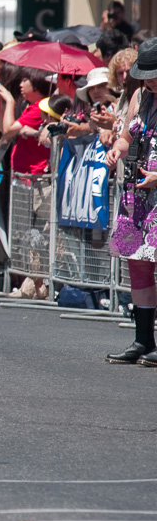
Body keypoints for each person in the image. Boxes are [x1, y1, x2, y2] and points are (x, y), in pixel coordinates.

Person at [105, 38, 157, 365]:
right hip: (135, 193)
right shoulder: (140, 96)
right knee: (136, 264)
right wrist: (116, 150)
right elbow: (127, 135)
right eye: (147, 74)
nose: (150, 80)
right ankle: (143, 341)